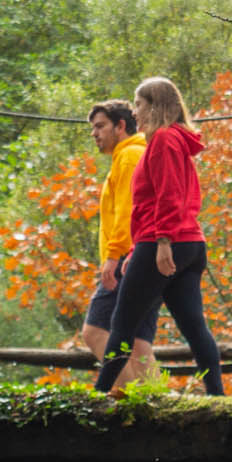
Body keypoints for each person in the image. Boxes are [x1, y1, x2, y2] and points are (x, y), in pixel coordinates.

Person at [95, 76, 225, 396]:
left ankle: (97, 397)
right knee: (194, 327)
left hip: (165, 241)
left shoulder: (164, 139)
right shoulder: (175, 140)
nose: (135, 112)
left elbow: (168, 194)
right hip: (189, 243)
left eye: (138, 105)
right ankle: (218, 397)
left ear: (155, 106)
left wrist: (161, 242)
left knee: (122, 325)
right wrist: (138, 251)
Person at [78, 98, 159, 389]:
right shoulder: (139, 154)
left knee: (95, 330)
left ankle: (132, 403)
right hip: (149, 255)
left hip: (129, 255)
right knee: (138, 342)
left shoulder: (129, 157)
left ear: (121, 126)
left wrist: (113, 256)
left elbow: (129, 211)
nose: (94, 134)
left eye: (100, 126)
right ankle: (161, 406)